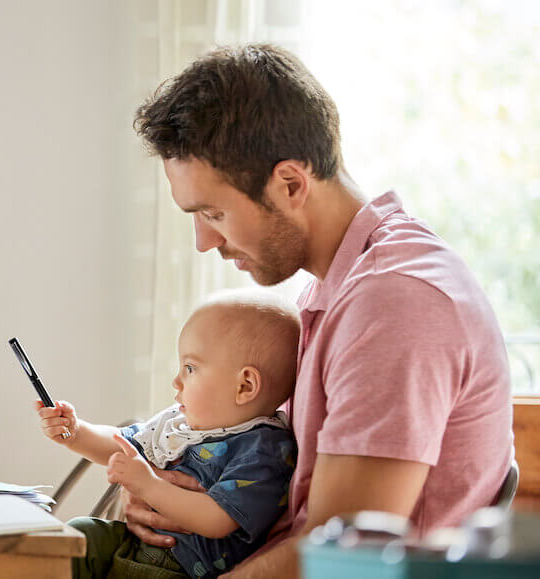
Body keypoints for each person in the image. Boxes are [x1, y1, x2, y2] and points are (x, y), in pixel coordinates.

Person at [126, 44, 513, 578]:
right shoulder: (336, 290)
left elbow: (341, 561)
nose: (203, 242)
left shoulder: (395, 302)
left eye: (214, 212)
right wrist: (171, 499)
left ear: (290, 184)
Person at [37, 290, 301, 578]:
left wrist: (148, 485)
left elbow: (217, 519)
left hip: (181, 568)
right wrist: (76, 432)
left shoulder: (265, 449)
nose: (177, 380)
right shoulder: (180, 421)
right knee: (79, 534)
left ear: (245, 386)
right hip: (135, 544)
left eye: (190, 368)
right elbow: (121, 444)